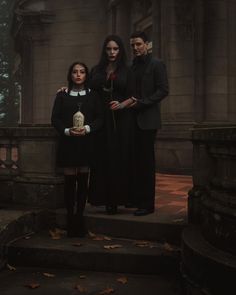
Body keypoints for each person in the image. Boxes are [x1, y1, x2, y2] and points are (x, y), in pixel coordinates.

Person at [51, 61, 103, 237]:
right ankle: (70, 219)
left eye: (82, 72)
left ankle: (79, 218)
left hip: (86, 143)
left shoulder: (93, 96)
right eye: (75, 72)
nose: (78, 75)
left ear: (86, 75)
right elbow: (55, 118)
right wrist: (67, 131)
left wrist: (87, 129)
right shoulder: (62, 96)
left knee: (82, 182)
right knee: (69, 183)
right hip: (68, 143)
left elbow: (99, 119)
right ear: (70, 75)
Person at [88, 35, 136, 214]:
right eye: (109, 49)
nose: (112, 52)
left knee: (119, 159)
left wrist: (121, 104)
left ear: (120, 51)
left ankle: (117, 200)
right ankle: (102, 198)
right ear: (104, 50)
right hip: (101, 120)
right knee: (102, 158)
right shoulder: (96, 70)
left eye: (115, 49)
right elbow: (87, 90)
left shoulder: (127, 71)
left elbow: (134, 96)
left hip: (121, 121)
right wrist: (67, 89)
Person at [129, 31, 169, 216]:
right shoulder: (132, 67)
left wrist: (142, 103)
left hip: (148, 121)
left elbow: (163, 90)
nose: (136, 48)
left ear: (147, 44)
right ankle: (137, 200)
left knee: (146, 163)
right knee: (135, 163)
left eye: (138, 44)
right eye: (133, 45)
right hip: (131, 121)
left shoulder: (157, 64)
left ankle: (147, 205)